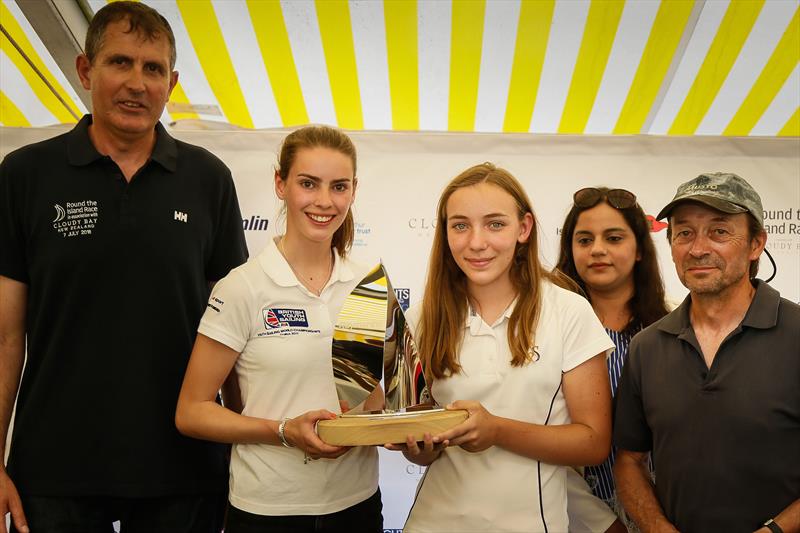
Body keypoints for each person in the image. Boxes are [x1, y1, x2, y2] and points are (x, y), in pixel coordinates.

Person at [0, 2, 249, 532]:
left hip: (184, 468)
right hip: (53, 471)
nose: (137, 83)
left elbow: (233, 333)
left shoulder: (209, 180)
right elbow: (3, 339)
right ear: (85, 71)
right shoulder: (24, 175)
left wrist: (242, 451)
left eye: (153, 68)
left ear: (172, 82)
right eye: (120, 63)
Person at [175, 125, 382, 533]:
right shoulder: (244, 286)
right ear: (280, 183)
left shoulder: (369, 283)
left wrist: (398, 427)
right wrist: (285, 431)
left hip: (356, 505)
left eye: (339, 186)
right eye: (308, 183)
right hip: (268, 511)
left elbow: (379, 400)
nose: (324, 201)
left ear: (354, 190)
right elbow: (191, 412)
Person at [389, 163, 614, 532]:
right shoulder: (422, 319)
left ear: (523, 228)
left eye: (495, 224)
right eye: (460, 225)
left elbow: (592, 442)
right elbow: (416, 431)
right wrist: (421, 446)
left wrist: (496, 430)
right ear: (445, 232)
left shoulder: (568, 311)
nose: (477, 242)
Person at [613, 173, 800, 533]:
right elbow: (629, 461)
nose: (698, 248)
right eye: (684, 233)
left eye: (719, 232)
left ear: (756, 244)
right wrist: (657, 528)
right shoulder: (646, 347)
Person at [555, 187, 670, 532]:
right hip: (567, 514)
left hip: (662, 515)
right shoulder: (541, 332)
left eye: (614, 238)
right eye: (585, 240)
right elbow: (541, 443)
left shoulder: (674, 329)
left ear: (638, 249)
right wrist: (600, 521)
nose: (598, 250)